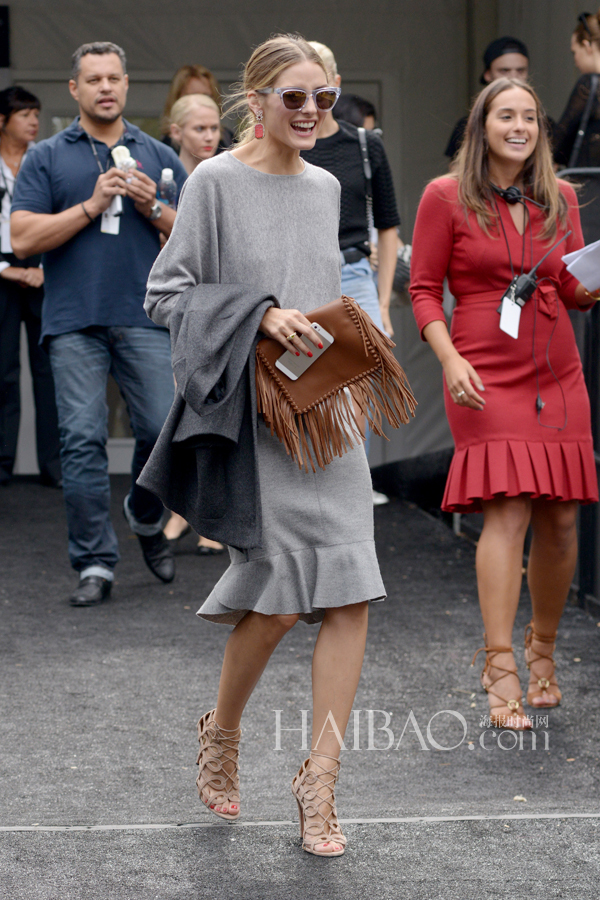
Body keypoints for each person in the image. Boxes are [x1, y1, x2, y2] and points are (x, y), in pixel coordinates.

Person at [143, 33, 386, 857]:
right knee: (279, 603)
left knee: (350, 594)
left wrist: (360, 333)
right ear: (257, 102)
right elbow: (165, 294)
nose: (313, 111)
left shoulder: (326, 186)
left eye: (325, 97)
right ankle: (223, 731)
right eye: (295, 97)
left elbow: (327, 287)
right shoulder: (213, 182)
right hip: (260, 419)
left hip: (331, 410)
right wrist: (260, 315)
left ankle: (320, 782)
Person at [411, 78, 598, 731]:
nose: (519, 126)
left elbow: (570, 287)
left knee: (562, 518)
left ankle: (542, 649)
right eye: (505, 115)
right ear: (482, 126)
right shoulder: (444, 195)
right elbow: (424, 290)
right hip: (481, 368)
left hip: (556, 370)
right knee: (510, 509)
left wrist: (591, 285)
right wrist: (449, 359)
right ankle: (500, 671)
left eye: (529, 117)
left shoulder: (561, 197)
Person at [10, 42, 188, 607]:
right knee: (82, 441)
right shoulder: (46, 156)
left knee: (162, 431)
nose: (105, 87)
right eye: (94, 79)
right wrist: (91, 205)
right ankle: (94, 561)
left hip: (144, 315)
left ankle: (144, 514)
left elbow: (195, 238)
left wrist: (152, 207)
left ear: (127, 84)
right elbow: (22, 239)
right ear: (75, 89)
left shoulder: (159, 154)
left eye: (114, 78)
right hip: (73, 320)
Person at [161, 92, 225, 556]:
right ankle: (180, 510)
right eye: (200, 128)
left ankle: (204, 516)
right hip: (173, 305)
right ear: (176, 131)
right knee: (177, 408)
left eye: (215, 128)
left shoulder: (226, 174)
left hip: (218, 306)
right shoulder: (162, 176)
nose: (209, 136)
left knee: (210, 408)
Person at [0, 86, 61, 488]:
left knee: (48, 371)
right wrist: (5, 269)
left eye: (36, 114)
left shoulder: (44, 159)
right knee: (3, 370)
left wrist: (42, 267)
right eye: (24, 114)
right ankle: (2, 465)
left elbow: (60, 215)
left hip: (42, 268)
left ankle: (54, 467)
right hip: (1, 273)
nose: (34, 122)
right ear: (2, 120)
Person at [445, 36, 529, 160]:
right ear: (488, 74)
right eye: (504, 71)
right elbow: (457, 170)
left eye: (520, 71)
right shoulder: (466, 126)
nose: (513, 77)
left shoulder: (544, 125)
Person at [160, 64, 232, 150]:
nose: (200, 102)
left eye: (206, 96)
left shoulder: (228, 140)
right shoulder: (164, 150)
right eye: (192, 96)